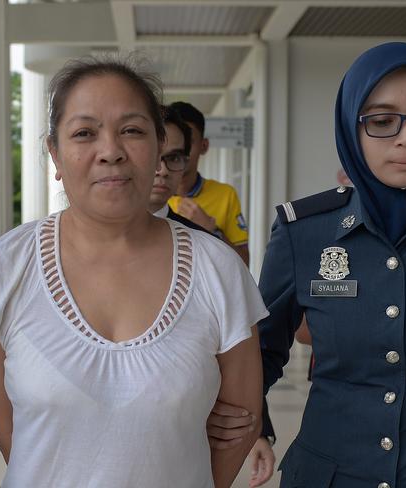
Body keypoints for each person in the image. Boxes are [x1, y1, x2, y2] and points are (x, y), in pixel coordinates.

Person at [0, 55, 269, 488]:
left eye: (132, 131)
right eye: (84, 133)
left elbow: (240, 425)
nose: (111, 152)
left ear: (160, 147)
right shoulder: (4, 271)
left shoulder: (218, 269)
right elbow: (15, 436)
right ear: (55, 153)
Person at [258, 42, 406, 487]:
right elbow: (258, 350)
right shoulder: (305, 232)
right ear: (351, 129)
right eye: (381, 121)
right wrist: (254, 425)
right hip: (328, 476)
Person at [150, 105, 277, 487]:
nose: (160, 169)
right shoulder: (36, 256)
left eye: (173, 157)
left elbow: (238, 345)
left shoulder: (208, 248)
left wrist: (255, 425)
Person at [167, 101, 250, 264]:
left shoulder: (226, 194)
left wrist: (212, 230)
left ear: (204, 146)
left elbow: (244, 263)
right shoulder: (148, 195)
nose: (180, 149)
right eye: (173, 141)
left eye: (188, 140)